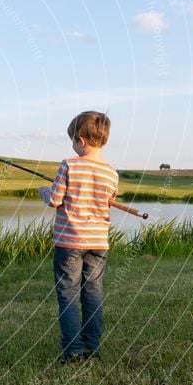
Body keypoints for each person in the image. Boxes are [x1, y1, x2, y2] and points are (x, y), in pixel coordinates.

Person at [37, 111, 119, 365]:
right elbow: (107, 202)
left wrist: (43, 190)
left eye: (73, 140)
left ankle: (73, 351)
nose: (72, 145)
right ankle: (92, 347)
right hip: (98, 243)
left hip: (70, 242)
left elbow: (55, 199)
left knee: (69, 295)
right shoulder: (111, 172)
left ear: (81, 141)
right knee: (93, 293)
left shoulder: (69, 164)